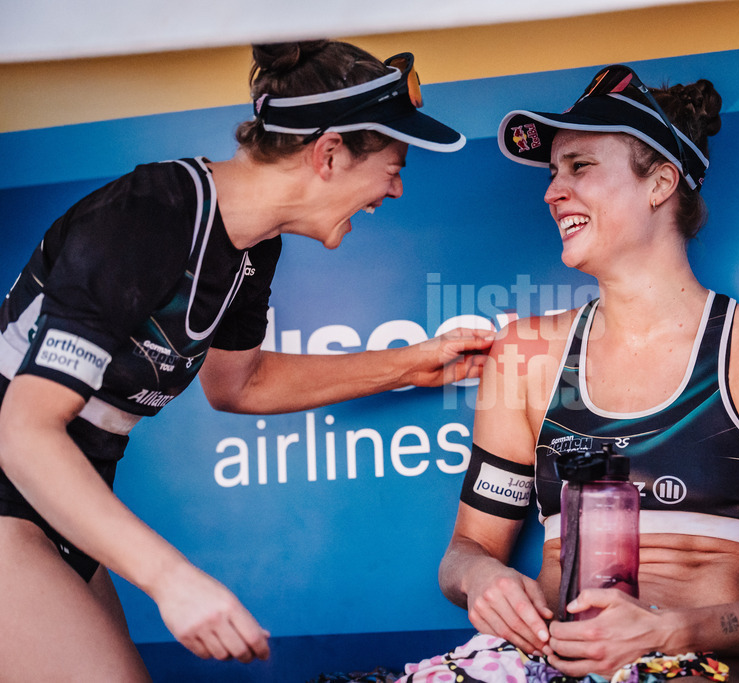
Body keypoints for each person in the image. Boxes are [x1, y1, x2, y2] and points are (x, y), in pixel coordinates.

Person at [0, 40, 492, 681]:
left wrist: (411, 364)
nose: (395, 191)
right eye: (394, 166)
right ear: (329, 153)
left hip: (61, 500)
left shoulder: (250, 247)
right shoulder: (148, 216)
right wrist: (170, 580)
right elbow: (23, 433)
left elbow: (240, 383)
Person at [402, 64, 739, 682]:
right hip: (541, 666)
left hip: (689, 665)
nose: (553, 192)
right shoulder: (526, 350)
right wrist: (483, 577)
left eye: (580, 167)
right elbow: (465, 553)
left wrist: (667, 630)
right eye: (554, 173)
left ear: (661, 181)